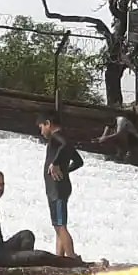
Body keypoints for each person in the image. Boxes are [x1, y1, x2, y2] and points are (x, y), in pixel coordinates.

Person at [39, 111, 85, 260]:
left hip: (56, 189)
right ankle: (60, 257)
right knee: (58, 225)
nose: (41, 132)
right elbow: (79, 161)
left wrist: (55, 163)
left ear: (48, 123)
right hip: (61, 187)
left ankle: (71, 257)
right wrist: (65, 171)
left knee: (60, 225)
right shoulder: (64, 142)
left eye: (41, 127)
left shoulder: (56, 137)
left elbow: (64, 145)